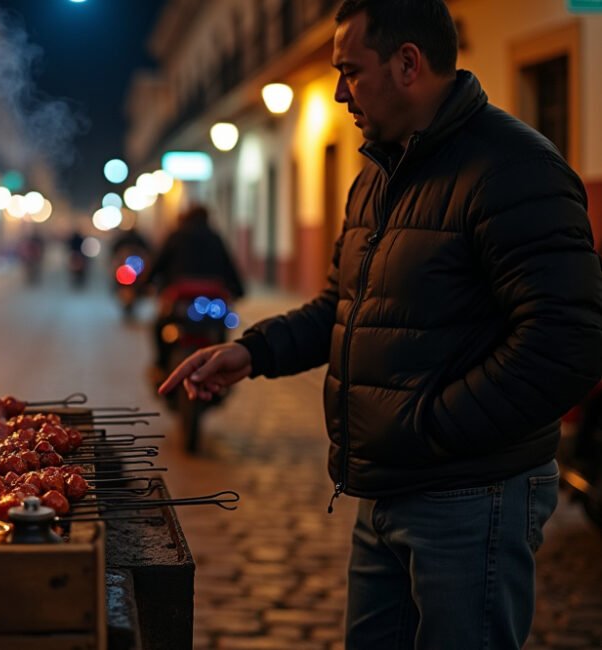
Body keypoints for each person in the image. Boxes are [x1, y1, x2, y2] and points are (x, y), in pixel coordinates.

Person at [158, 1, 602, 647]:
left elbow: (567, 345)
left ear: (408, 64)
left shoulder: (515, 169)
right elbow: (342, 307)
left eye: (350, 71)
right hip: (384, 490)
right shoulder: (375, 177)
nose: (340, 92)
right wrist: (251, 353)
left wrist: (431, 426)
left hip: (470, 497)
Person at [142, 205, 245, 300]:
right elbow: (228, 264)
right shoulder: (214, 238)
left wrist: (146, 283)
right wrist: (239, 290)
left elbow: (160, 262)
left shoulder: (176, 236)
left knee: (164, 318)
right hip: (212, 290)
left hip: (179, 289)